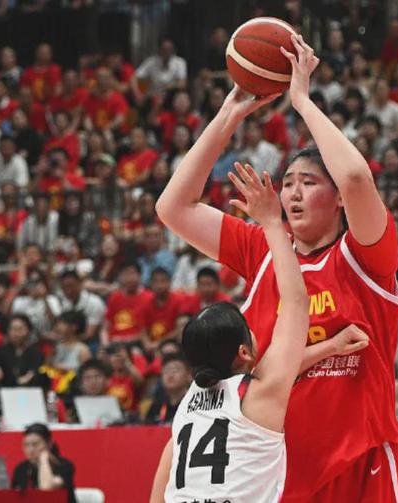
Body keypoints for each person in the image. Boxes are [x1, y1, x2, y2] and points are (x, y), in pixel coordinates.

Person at [156, 32, 398, 502]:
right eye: (287, 182)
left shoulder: (365, 257)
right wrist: (230, 112)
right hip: (278, 474)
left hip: (357, 468)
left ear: (337, 199)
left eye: (308, 182)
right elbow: (173, 208)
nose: (292, 192)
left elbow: (356, 177)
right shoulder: (264, 247)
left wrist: (302, 102)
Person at [151, 163, 368, 502]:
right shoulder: (257, 398)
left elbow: (159, 490)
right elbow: (296, 303)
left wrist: (331, 347)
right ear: (243, 351)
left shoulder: (188, 406)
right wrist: (271, 223)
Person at [12, 423, 77, 503]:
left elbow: (47, 488)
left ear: (49, 444)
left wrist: (44, 459)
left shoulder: (63, 465)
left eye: (35, 444)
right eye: (26, 445)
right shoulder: (21, 468)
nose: (30, 450)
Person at [144, 353, 191, 425]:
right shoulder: (157, 405)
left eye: (175, 370)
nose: (170, 375)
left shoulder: (194, 403)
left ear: (189, 376)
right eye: (166, 370)